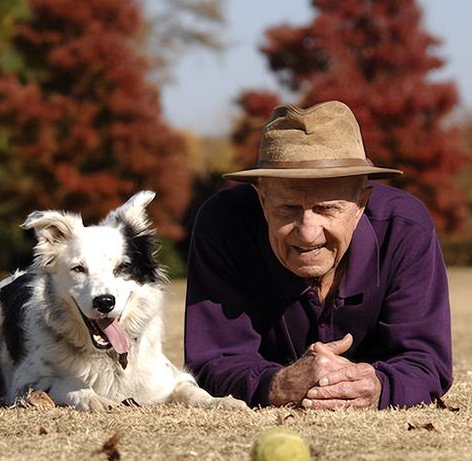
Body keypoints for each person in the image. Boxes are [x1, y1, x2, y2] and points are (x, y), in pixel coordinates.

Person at [184, 101, 452, 409]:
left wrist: (378, 386)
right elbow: (212, 362)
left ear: (360, 204)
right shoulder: (223, 224)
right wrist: (278, 384)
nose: (308, 232)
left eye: (327, 209)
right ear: (262, 198)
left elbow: (426, 362)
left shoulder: (406, 228)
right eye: (288, 208)